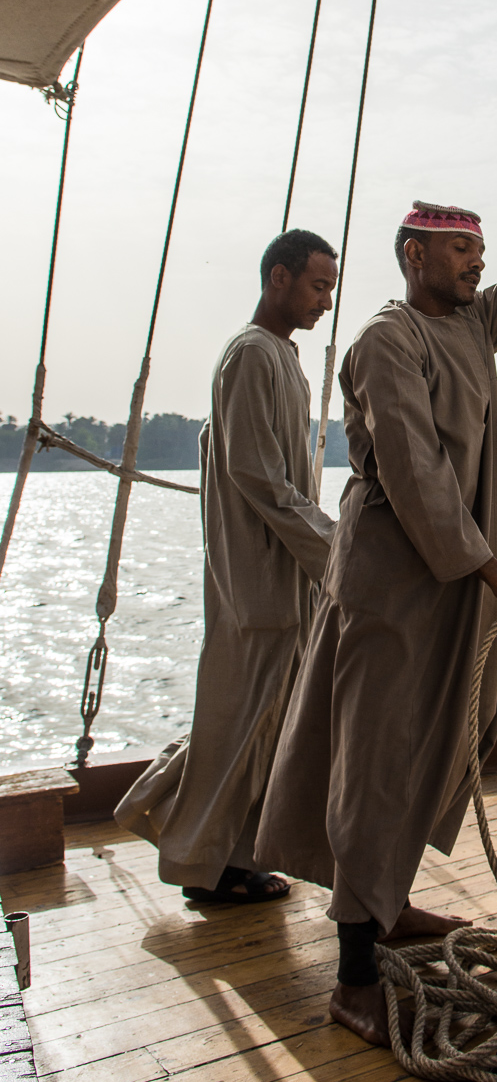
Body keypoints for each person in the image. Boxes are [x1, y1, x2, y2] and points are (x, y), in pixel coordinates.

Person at [255, 89, 497, 1042]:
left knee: (450, 732)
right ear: (415, 255)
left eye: (479, 253)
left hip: (458, 581)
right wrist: (495, 575)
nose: (477, 264)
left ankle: (391, 899)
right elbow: (410, 471)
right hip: (396, 584)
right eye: (461, 252)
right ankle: (355, 972)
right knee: (377, 756)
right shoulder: (387, 338)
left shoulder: (474, 323)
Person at [115, 229, 339, 902]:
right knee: (241, 723)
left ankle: (227, 858)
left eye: (330, 288)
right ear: (278, 278)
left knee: (257, 724)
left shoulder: (280, 357)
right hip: (260, 580)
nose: (325, 301)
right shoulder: (250, 357)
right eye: (317, 285)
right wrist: (334, 551)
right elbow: (256, 474)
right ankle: (197, 863)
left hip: (283, 578)